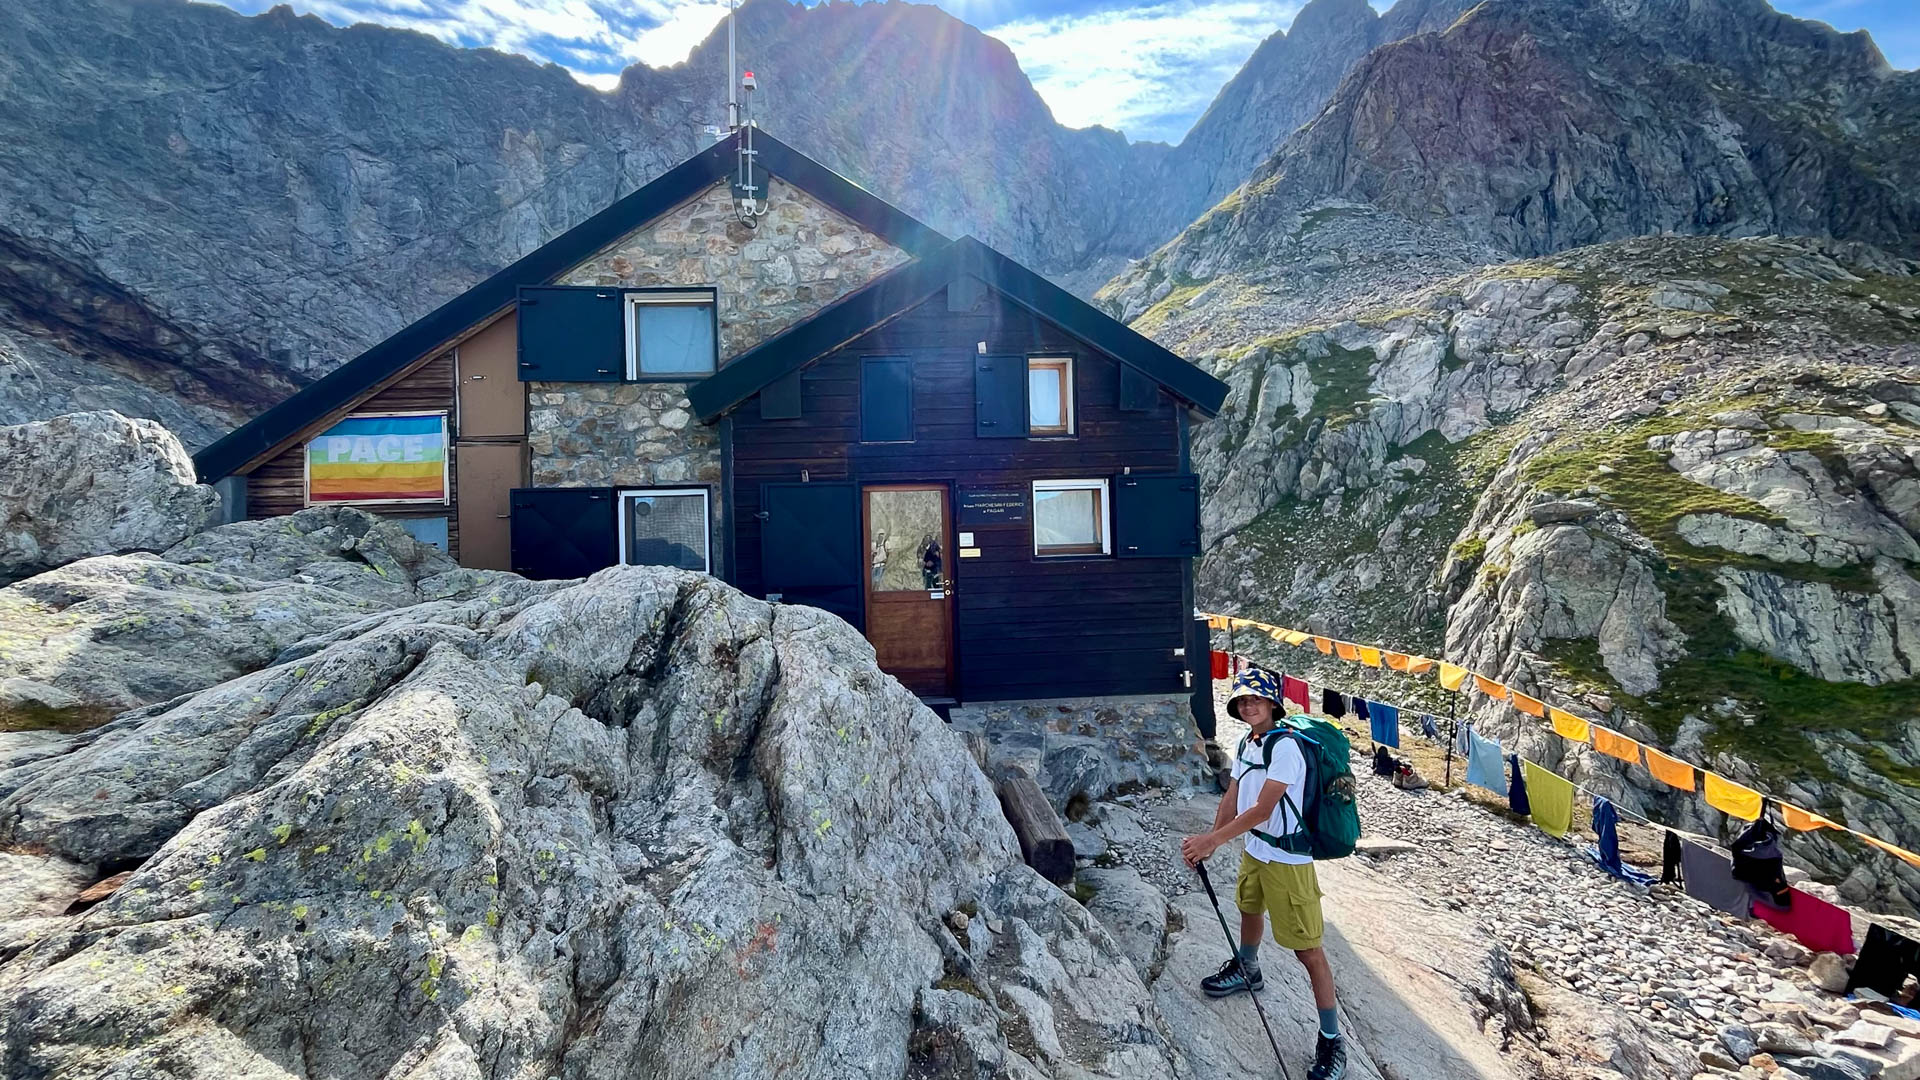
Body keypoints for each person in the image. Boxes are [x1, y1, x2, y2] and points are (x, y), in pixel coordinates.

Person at [1181, 668, 1347, 1080]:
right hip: (1256, 847)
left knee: (1308, 950)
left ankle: (1332, 1040)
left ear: (1273, 703)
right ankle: (1248, 968)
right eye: (1242, 700)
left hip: (1288, 859)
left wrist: (1213, 843)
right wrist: (1212, 835)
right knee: (1248, 908)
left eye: (1256, 699)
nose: (1248, 705)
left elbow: (1263, 810)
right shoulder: (1248, 742)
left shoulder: (1285, 747)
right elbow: (1234, 797)